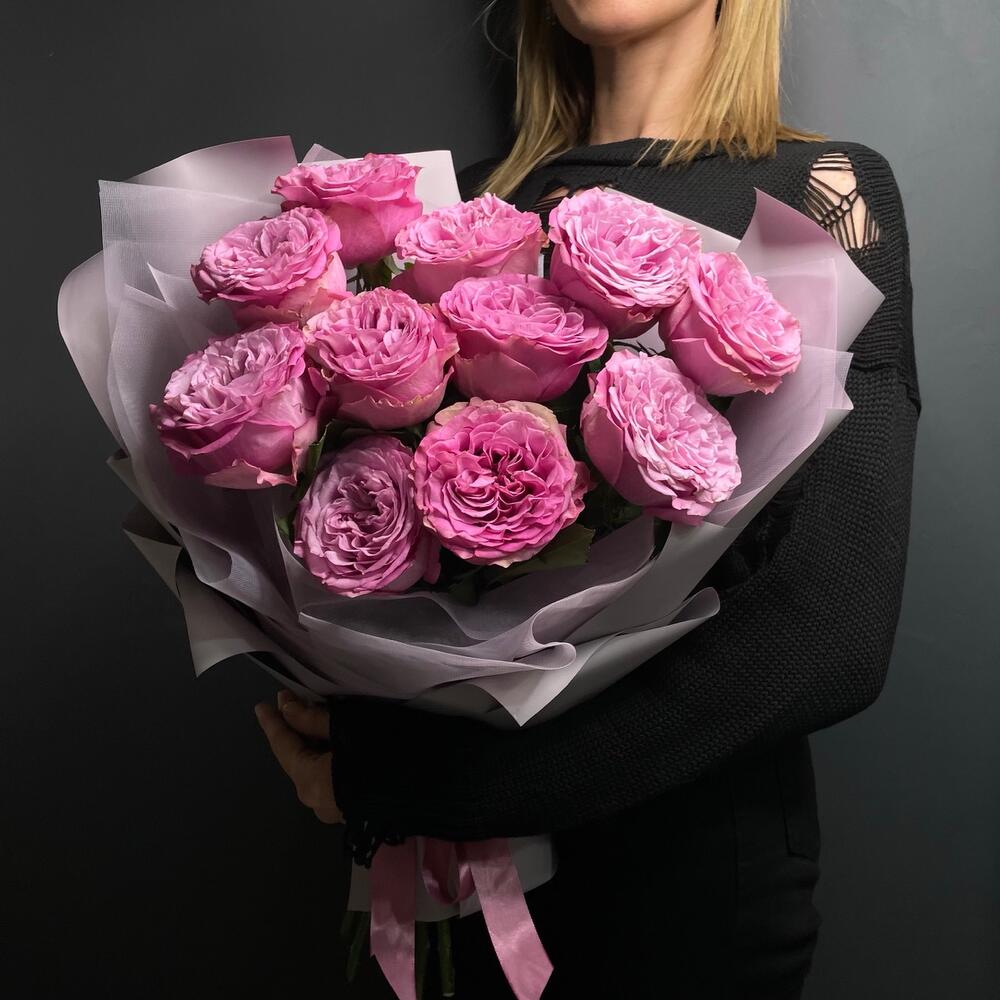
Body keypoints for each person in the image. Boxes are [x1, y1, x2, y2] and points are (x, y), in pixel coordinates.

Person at [253, 0, 921, 995]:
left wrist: (429, 783)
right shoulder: (463, 211)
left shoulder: (826, 192)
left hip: (688, 891)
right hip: (450, 888)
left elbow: (829, 627)